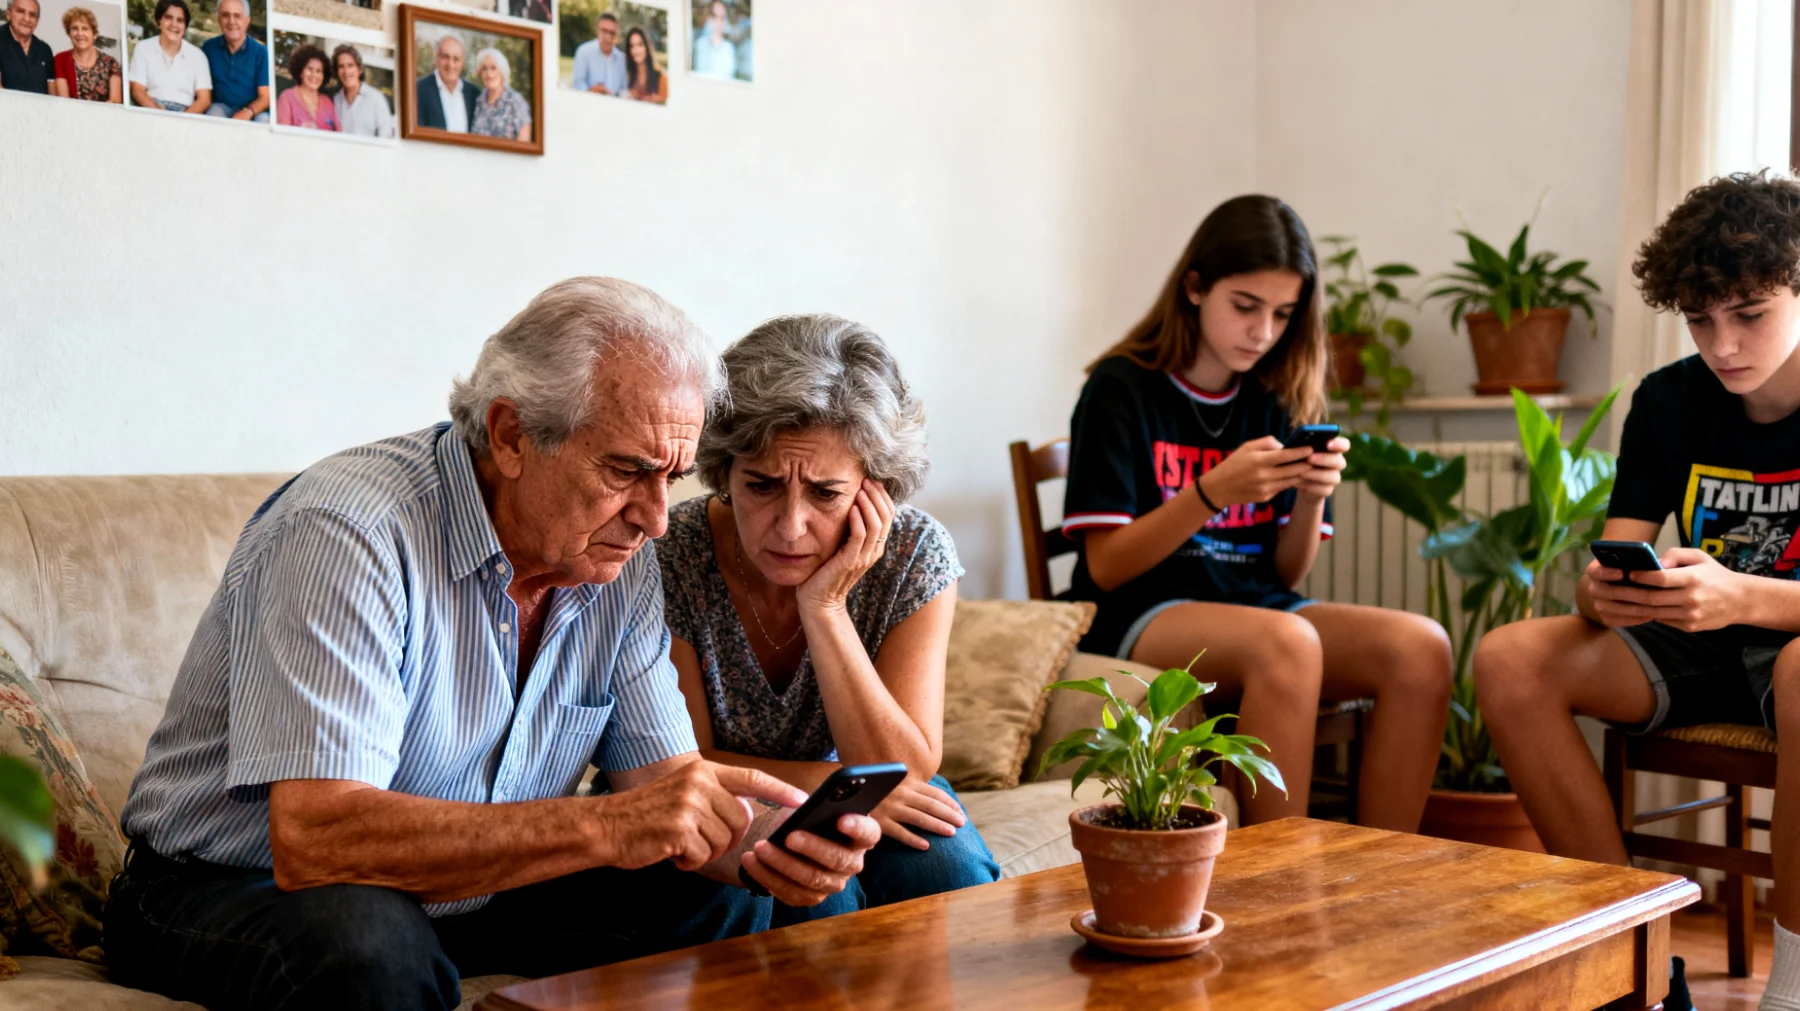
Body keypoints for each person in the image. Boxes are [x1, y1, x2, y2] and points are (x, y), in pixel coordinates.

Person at [102, 278, 882, 1011]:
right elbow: (315, 838)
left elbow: (668, 787)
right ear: (511, 435)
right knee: (368, 943)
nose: (653, 517)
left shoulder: (617, 558)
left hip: (477, 884)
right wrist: (609, 824)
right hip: (231, 885)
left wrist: (774, 839)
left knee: (734, 889)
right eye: (627, 470)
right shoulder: (350, 534)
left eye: (671, 478)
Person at [1474, 170, 1800, 1011]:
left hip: (1790, 651)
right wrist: (1600, 593)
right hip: (1698, 639)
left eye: (1750, 314)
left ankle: (1791, 989)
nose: (1722, 344)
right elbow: (1619, 554)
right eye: (1700, 320)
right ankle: (1638, 962)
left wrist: (1747, 598)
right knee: (1513, 659)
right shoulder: (1667, 401)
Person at [1060, 195, 1452, 830]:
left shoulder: (1276, 393)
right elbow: (1105, 567)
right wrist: (1212, 492)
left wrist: (1314, 495)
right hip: (1140, 609)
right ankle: (1277, 884)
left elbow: (1286, 576)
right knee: (1287, 642)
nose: (1263, 332)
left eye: (1282, 314)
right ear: (1194, 287)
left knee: (1420, 649)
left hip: (1251, 602)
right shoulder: (1121, 388)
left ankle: (1384, 871)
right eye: (1245, 306)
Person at [658, 314, 1000, 927]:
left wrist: (825, 606)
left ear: (877, 488)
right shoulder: (673, 554)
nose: (791, 527)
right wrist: (838, 783)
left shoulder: (913, 554)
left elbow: (906, 767)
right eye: (761, 486)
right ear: (725, 472)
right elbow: (684, 763)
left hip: (872, 788)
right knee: (816, 893)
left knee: (947, 873)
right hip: (721, 798)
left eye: (825, 493)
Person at [127, 0, 209, 113]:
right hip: (151, 108)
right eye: (168, 18)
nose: (174, 24)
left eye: (180, 20)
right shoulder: (143, 48)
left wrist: (183, 119)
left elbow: (204, 99)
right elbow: (137, 91)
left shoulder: (198, 56)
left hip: (185, 112)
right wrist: (158, 112)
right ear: (159, 21)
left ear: (185, 27)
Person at [199, 0, 267, 122]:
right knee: (213, 114)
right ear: (219, 19)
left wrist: (248, 112)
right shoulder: (209, 48)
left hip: (253, 111)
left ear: (247, 21)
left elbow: (266, 97)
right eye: (226, 15)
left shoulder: (261, 53)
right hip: (220, 106)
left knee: (263, 121)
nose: (231, 21)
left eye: (237, 16)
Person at [53, 7, 120, 103]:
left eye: (85, 29)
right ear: (69, 33)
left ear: (95, 34)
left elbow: (115, 101)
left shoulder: (111, 63)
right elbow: (64, 101)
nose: (80, 34)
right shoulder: (60, 59)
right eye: (74, 28)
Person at [414, 33, 475, 133]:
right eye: (445, 57)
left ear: (462, 63)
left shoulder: (473, 94)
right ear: (436, 58)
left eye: (456, 59)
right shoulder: (418, 90)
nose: (450, 64)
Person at [331, 44, 392, 138]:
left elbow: (386, 136)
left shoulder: (376, 99)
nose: (346, 71)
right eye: (341, 66)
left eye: (350, 65)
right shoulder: (335, 100)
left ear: (359, 69)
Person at [470, 46, 529, 142]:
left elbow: (524, 140)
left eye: (493, 68)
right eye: (484, 69)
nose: (489, 74)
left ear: (502, 71)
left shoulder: (516, 101)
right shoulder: (478, 101)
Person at [0, 0, 58, 96]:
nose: (27, 19)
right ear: (8, 14)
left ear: (37, 21)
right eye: (20, 11)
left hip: (41, 109)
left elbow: (52, 95)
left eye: (32, 15)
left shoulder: (45, 49)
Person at [276, 44, 337, 131]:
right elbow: (281, 136)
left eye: (318, 71)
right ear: (300, 71)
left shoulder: (328, 102)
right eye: (309, 69)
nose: (314, 75)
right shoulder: (286, 97)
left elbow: (339, 133)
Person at [569, 11, 624, 96]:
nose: (608, 37)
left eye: (612, 33)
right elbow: (577, 84)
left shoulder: (622, 59)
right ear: (597, 30)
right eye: (604, 31)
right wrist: (591, 91)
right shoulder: (584, 52)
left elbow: (624, 90)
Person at [691, 0, 735, 81]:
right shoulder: (701, 45)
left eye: (722, 18)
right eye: (715, 16)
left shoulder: (728, 48)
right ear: (709, 18)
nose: (718, 22)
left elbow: (730, 77)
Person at [622, 25, 664, 104]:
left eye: (640, 45)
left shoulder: (661, 76)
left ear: (646, 46)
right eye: (632, 46)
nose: (636, 50)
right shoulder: (627, 75)